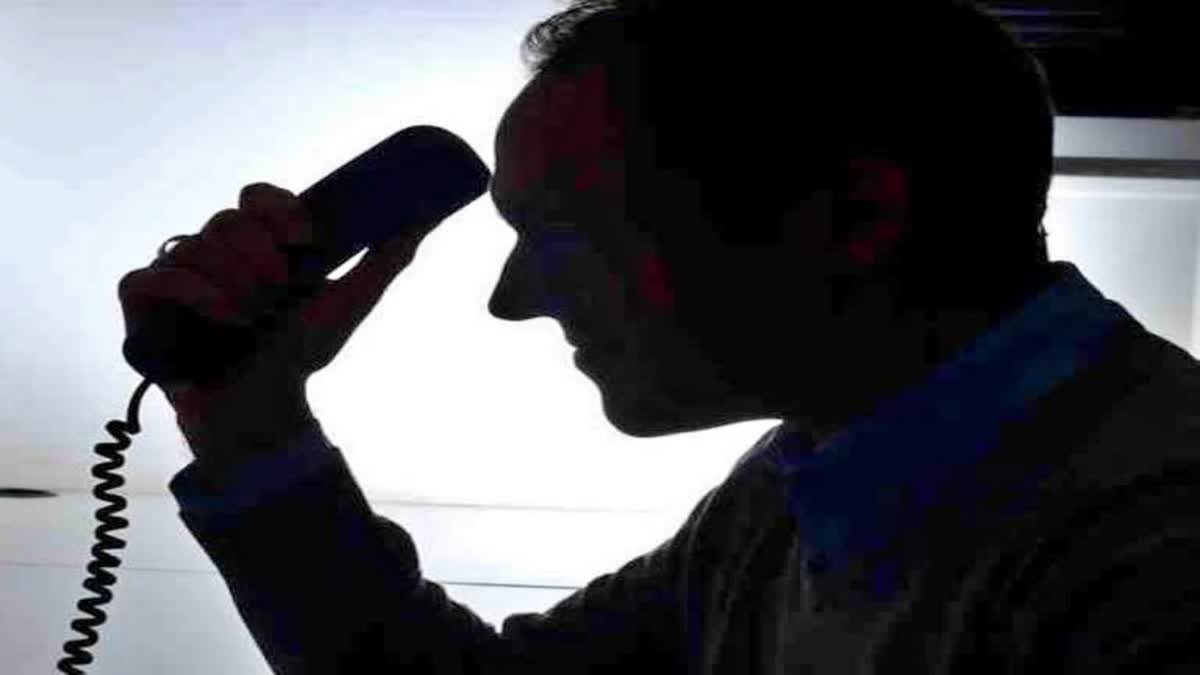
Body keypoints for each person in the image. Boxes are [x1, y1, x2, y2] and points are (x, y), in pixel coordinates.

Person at [117, 0, 1200, 672]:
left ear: (855, 218)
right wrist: (248, 423)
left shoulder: (1156, 564)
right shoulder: (807, 479)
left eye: (565, 233)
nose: (514, 301)